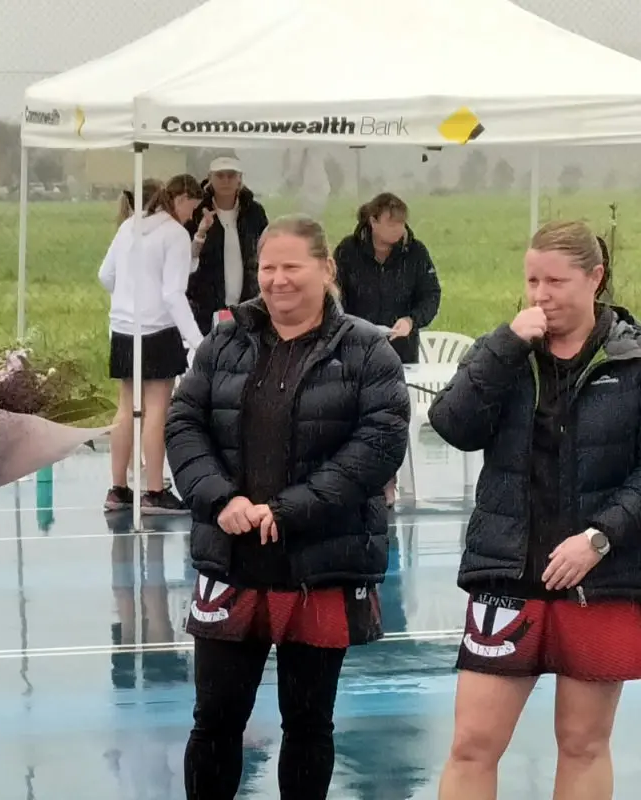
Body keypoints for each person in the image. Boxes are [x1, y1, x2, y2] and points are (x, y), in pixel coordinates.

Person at [166, 213, 410, 799]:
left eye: (291, 267)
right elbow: (183, 422)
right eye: (267, 268)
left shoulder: (367, 351)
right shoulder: (224, 340)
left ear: (326, 270)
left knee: (307, 725)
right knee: (215, 722)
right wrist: (219, 499)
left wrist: (290, 508)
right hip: (231, 561)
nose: (276, 280)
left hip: (319, 564)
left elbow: (378, 446)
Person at [430, 220, 641, 800]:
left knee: (582, 743)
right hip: (506, 572)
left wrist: (601, 537)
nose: (540, 294)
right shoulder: (504, 352)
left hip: (601, 577)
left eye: (555, 280)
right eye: (531, 280)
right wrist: (502, 347)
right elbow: (452, 425)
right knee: (472, 742)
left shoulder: (634, 358)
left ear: (594, 278)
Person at [99, 173, 205, 515]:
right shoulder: (174, 233)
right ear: (174, 198)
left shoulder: (128, 226)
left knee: (126, 406)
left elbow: (105, 276)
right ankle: (155, 490)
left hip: (123, 329)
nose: (194, 212)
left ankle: (118, 488)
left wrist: (129, 297)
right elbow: (173, 294)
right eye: (193, 204)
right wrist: (198, 342)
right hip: (158, 329)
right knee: (157, 408)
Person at [334, 192, 441, 507]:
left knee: (392, 418)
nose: (398, 229)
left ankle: (388, 481)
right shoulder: (347, 251)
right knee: (354, 416)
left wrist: (412, 320)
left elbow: (431, 295)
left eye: (402, 223)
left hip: (400, 351)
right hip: (355, 348)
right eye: (391, 223)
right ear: (373, 221)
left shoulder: (416, 253)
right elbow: (336, 295)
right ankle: (356, 478)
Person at [184, 156, 269, 335]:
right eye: (220, 175)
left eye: (231, 175)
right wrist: (201, 233)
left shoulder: (254, 212)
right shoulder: (197, 211)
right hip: (206, 307)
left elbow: (264, 249)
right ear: (210, 178)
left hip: (247, 302)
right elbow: (187, 258)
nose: (225, 180)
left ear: (240, 179)